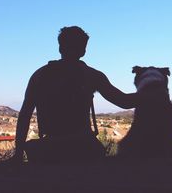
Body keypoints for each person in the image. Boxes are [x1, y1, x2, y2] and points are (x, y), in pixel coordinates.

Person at [11, 26, 138, 163]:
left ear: (60, 48)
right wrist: (152, 92)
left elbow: (25, 114)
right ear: (83, 50)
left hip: (49, 150)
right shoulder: (93, 76)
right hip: (85, 149)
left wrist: (18, 155)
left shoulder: (40, 75)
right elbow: (123, 101)